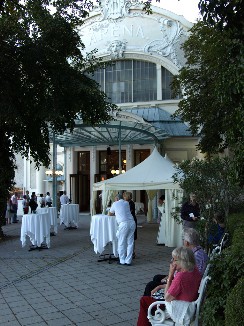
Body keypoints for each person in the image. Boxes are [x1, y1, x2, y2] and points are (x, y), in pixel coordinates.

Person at [137, 247, 202, 326]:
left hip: (179, 307)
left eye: (174, 260)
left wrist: (170, 275)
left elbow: (167, 297)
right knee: (150, 294)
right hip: (188, 303)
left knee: (144, 300)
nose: (172, 262)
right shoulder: (195, 270)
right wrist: (160, 286)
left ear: (182, 261)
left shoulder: (181, 276)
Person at [143, 228, 208, 296]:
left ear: (187, 243)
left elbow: (184, 277)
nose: (183, 242)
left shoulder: (194, 256)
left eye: (183, 240)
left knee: (150, 285)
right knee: (157, 278)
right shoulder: (199, 251)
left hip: (186, 286)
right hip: (190, 283)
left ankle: (149, 301)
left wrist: (169, 278)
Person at [108, 193, 136, 266]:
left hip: (124, 224)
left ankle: (122, 260)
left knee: (121, 242)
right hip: (132, 222)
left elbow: (110, 214)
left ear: (116, 198)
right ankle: (128, 261)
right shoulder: (126, 203)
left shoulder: (115, 203)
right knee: (130, 242)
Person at [123, 191, 137, 259]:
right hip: (129, 220)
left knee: (132, 237)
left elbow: (129, 212)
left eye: (125, 196)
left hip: (132, 220)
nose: (124, 197)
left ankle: (132, 252)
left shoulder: (131, 203)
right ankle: (129, 252)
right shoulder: (127, 203)